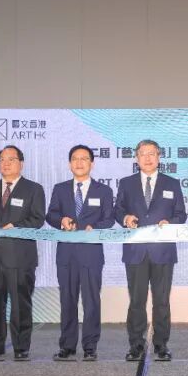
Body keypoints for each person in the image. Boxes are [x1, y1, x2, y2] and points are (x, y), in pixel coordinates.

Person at [114, 139, 187, 362]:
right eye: (143, 154)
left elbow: (181, 214)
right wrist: (125, 218)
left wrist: (170, 222)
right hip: (135, 251)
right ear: (136, 158)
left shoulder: (172, 183)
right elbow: (118, 210)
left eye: (152, 153)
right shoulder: (126, 183)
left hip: (163, 251)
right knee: (136, 300)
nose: (147, 158)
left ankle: (161, 345)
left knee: (161, 301)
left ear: (159, 157)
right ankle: (135, 344)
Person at [0, 145, 46, 362]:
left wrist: (17, 226)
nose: (5, 163)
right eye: (2, 159)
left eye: (11, 159)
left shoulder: (33, 189)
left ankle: (21, 346)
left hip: (20, 256)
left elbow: (37, 219)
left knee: (20, 303)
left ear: (21, 163)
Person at [45, 145, 115, 361]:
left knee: (91, 301)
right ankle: (67, 345)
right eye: (75, 158)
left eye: (84, 158)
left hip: (91, 254)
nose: (79, 162)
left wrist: (95, 227)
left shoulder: (104, 191)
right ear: (69, 164)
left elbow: (109, 219)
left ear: (92, 163)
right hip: (66, 255)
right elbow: (51, 215)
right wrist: (61, 220)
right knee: (67, 300)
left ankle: (90, 346)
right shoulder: (60, 189)